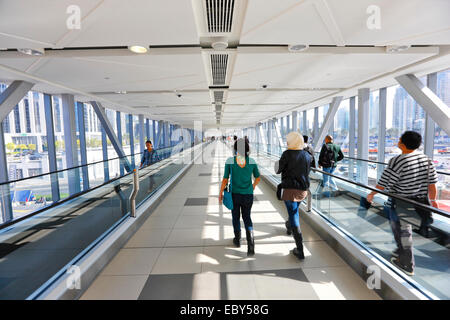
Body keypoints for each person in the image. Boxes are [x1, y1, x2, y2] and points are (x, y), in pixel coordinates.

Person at [366, 131, 438, 276]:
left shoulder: (398, 160)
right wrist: (434, 200)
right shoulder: (426, 159)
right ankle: (401, 251)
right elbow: (432, 184)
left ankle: (407, 264)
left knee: (403, 231)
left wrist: (372, 194)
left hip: (401, 202)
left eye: (399, 140)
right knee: (404, 231)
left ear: (403, 144)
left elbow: (384, 183)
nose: (398, 141)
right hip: (420, 201)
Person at [219, 138, 261, 256]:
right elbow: (258, 178)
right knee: (247, 217)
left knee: (235, 217)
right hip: (248, 195)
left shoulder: (230, 161)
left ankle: (237, 240)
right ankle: (251, 245)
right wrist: (252, 187)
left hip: (234, 195)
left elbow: (225, 179)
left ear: (235, 149)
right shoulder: (252, 161)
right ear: (247, 149)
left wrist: (220, 193)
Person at [275, 132, 312, 260]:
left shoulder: (287, 154)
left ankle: (300, 249)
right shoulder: (307, 155)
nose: (286, 143)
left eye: (288, 140)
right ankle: (289, 226)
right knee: (294, 211)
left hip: (290, 190)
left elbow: (278, 170)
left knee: (294, 215)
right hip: (303, 191)